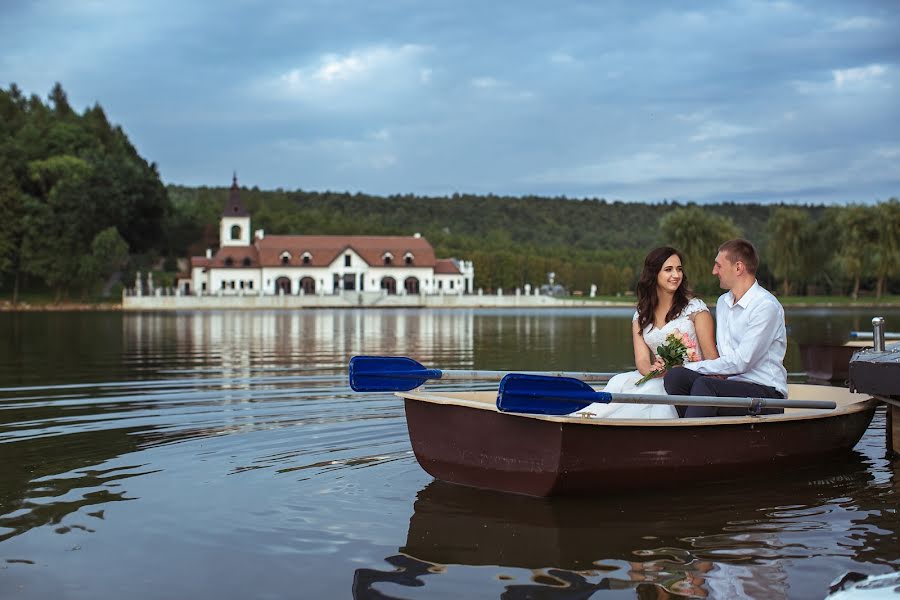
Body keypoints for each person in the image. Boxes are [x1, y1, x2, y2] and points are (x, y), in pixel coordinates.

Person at [575, 246, 718, 419]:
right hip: (656, 376)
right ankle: (584, 419)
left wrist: (675, 369)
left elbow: (712, 359)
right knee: (618, 382)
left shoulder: (695, 310)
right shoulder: (641, 316)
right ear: (654, 274)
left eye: (679, 269)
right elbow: (642, 360)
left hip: (686, 381)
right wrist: (653, 369)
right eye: (668, 270)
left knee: (653, 394)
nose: (676, 275)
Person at [663, 238, 787, 417]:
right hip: (729, 385)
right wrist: (683, 369)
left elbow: (742, 362)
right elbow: (725, 358)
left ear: (738, 268)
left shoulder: (765, 306)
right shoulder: (723, 302)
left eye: (718, 266)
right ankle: (698, 429)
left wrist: (692, 367)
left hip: (765, 392)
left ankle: (689, 439)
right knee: (676, 377)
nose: (714, 271)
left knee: (705, 385)